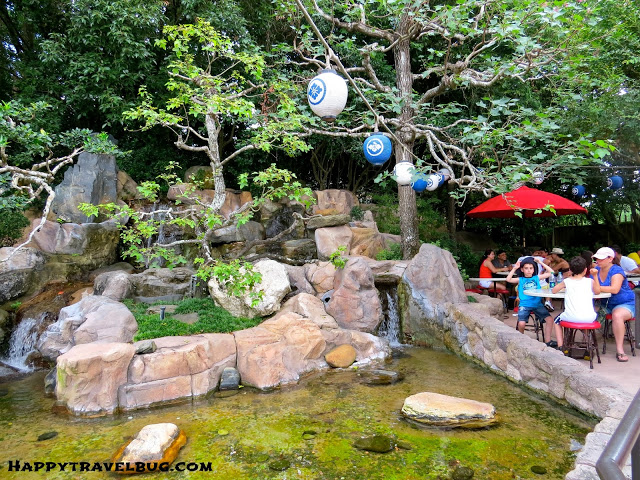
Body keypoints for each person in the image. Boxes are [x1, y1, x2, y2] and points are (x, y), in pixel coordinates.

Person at [593, 247, 635, 362]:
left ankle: (620, 350)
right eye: (596, 258)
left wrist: (596, 287)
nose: (598, 261)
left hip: (625, 303)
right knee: (586, 314)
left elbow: (615, 289)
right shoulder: (596, 270)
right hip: (605, 305)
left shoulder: (616, 270)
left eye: (600, 259)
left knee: (617, 315)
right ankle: (587, 345)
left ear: (610, 258)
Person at [551, 256, 601, 353]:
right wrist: (595, 276)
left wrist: (567, 278)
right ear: (585, 270)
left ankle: (561, 346)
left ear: (570, 270)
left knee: (556, 321)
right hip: (589, 317)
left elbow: (554, 290)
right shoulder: (590, 281)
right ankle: (587, 344)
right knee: (584, 324)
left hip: (570, 316)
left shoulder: (567, 281)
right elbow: (598, 292)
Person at [505, 256, 555, 339]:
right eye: (526, 268)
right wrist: (515, 268)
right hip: (524, 305)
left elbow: (552, 272)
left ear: (534, 269)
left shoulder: (537, 278)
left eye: (531, 268)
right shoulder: (520, 279)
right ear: (522, 269)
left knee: (550, 320)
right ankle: (522, 339)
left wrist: (540, 262)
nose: (529, 270)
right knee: (521, 323)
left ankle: (548, 340)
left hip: (537, 304)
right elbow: (508, 279)